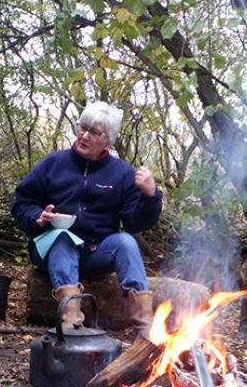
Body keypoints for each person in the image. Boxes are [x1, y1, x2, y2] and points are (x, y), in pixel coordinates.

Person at [12, 101, 162, 339]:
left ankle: (145, 325)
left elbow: (136, 223)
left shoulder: (121, 173)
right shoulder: (53, 164)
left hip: (96, 253)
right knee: (62, 239)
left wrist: (150, 196)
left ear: (108, 140)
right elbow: (22, 203)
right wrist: (37, 216)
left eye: (94, 132)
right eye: (82, 128)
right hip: (50, 249)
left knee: (125, 242)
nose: (84, 136)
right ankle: (71, 322)